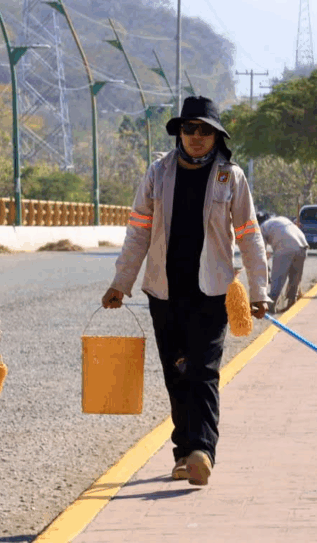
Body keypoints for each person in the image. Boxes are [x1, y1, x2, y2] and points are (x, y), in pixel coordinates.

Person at [101, 96, 270, 486]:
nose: (196, 136)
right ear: (179, 132)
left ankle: (202, 451)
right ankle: (183, 454)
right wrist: (120, 283)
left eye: (204, 130)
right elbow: (138, 231)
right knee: (177, 373)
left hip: (211, 292)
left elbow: (249, 236)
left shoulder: (232, 177)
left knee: (204, 371)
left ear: (216, 137)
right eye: (189, 129)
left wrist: (259, 289)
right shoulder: (158, 173)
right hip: (164, 290)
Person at [256, 212, 308, 312]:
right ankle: (292, 302)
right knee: (295, 277)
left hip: (285, 247)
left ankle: (271, 305)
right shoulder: (281, 219)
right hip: (303, 245)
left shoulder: (262, 227)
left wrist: (264, 267)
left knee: (278, 278)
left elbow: (260, 250)